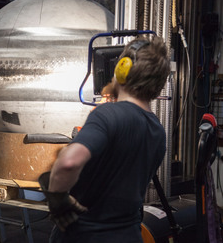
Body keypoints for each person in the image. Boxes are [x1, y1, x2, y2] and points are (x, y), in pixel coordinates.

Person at [39, 36, 170, 243]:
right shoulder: (158, 132)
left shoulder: (107, 114)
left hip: (85, 236)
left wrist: (58, 199)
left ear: (122, 70)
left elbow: (68, 163)